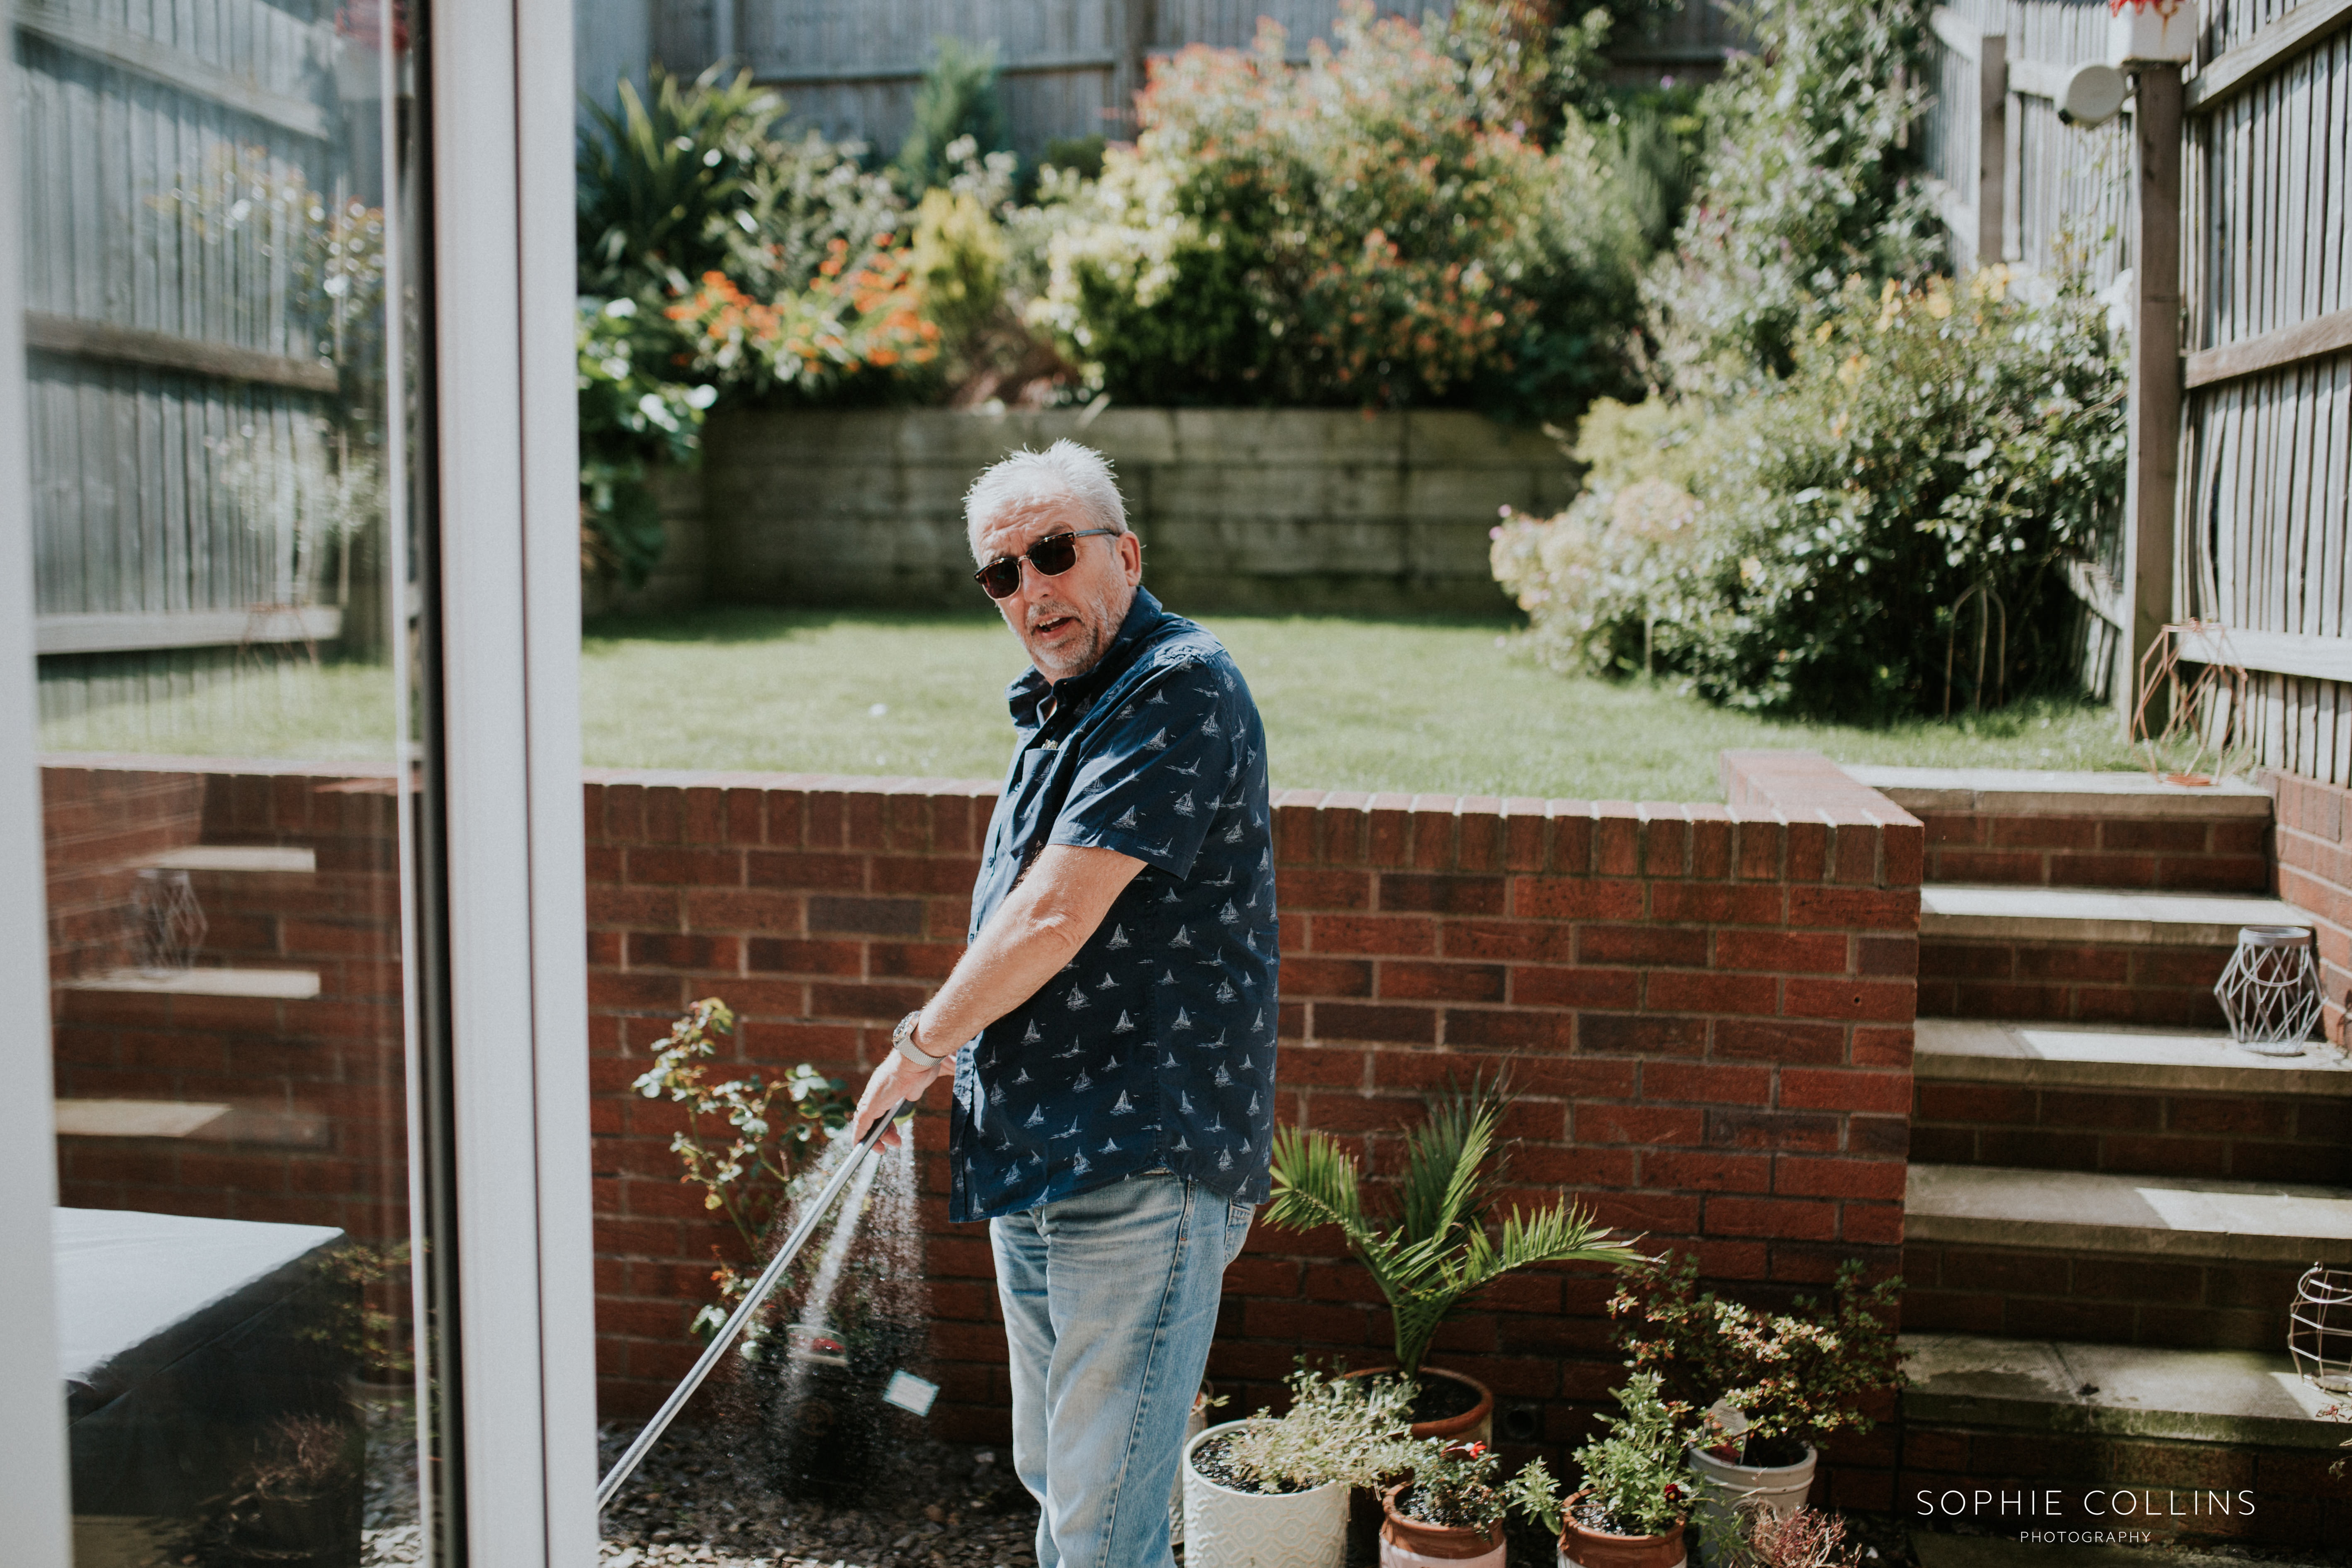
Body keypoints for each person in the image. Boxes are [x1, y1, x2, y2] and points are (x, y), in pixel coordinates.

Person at [850, 440, 1277, 1568]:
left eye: (1053, 552)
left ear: (1124, 554)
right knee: (1065, 1490)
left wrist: (920, 1047)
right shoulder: (1064, 706)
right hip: (1039, 1155)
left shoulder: (1178, 687)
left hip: (1138, 1159)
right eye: (1003, 573)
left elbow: (1052, 916)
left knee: (1098, 1524)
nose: (1032, 589)